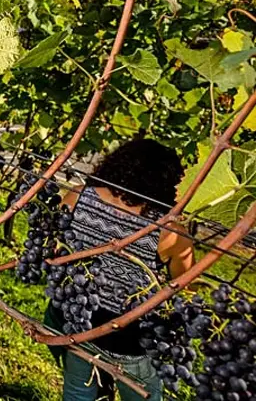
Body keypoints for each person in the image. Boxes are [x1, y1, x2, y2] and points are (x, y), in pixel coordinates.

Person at [52, 138, 195, 400]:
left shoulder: (76, 196)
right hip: (133, 340)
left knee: (77, 393)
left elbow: (57, 252)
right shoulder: (171, 234)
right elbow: (186, 287)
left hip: (79, 323)